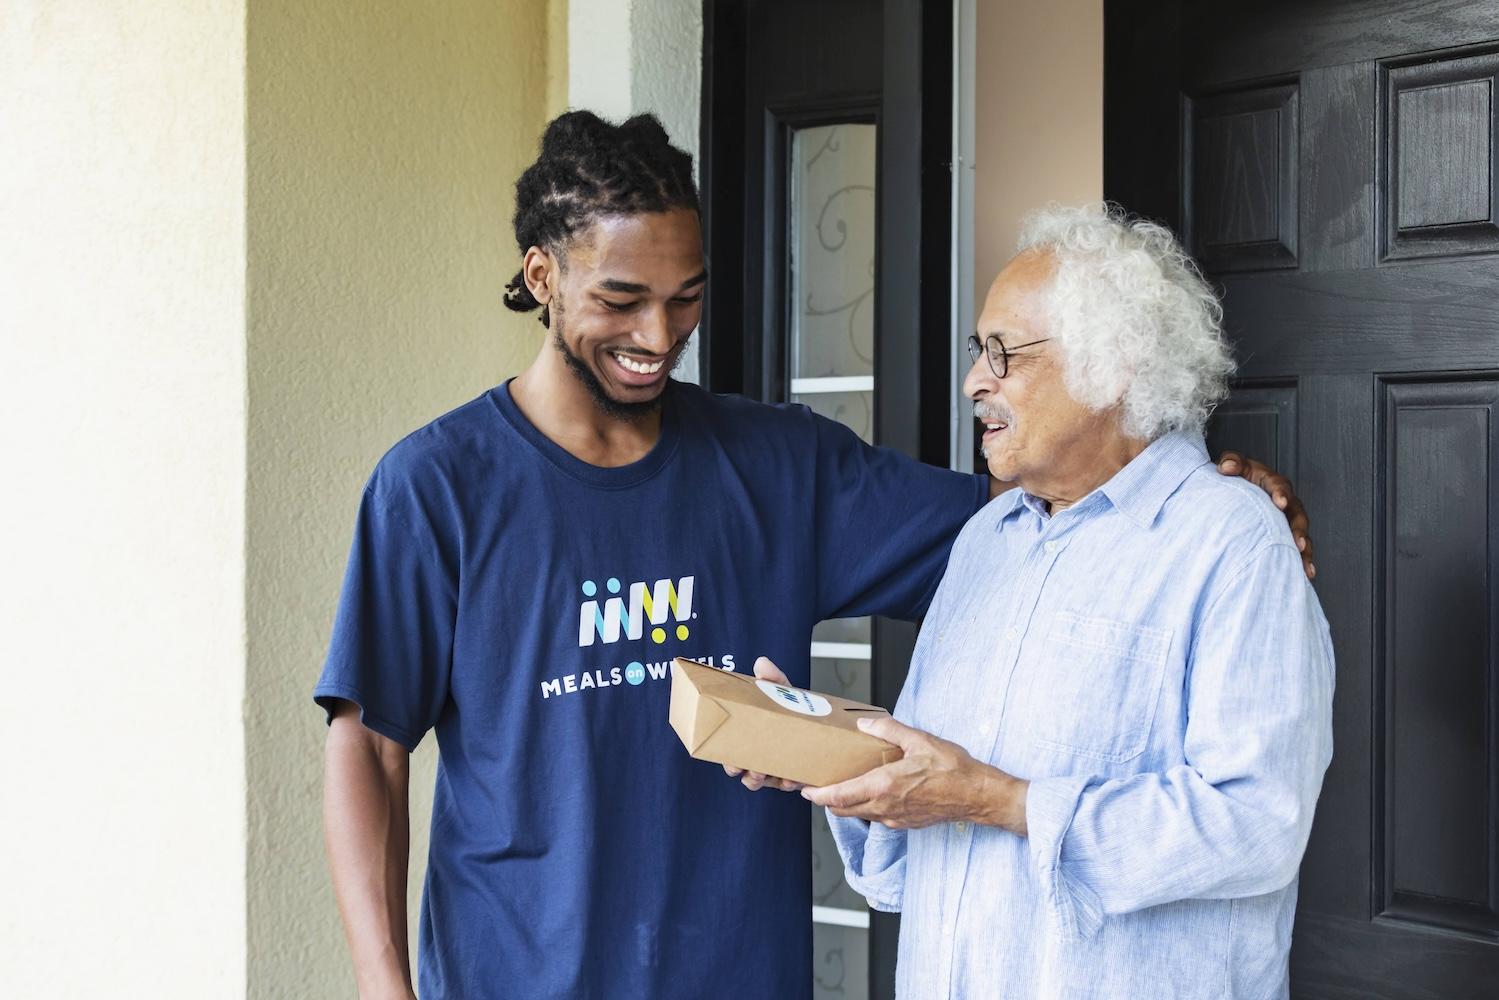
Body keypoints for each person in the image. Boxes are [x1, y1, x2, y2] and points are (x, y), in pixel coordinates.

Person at [315, 113, 1311, 999]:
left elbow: (1044, 519)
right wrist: (381, 982)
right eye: (622, 298)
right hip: (513, 973)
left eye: (685, 296)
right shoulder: (435, 486)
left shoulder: (780, 466)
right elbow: (367, 743)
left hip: (735, 970)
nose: (658, 336)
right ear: (542, 276)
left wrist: (1191, 478)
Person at [793, 204, 1334, 999]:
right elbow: (920, 837)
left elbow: (1258, 825)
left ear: (1111, 365)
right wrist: (829, 756)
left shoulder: (1231, 542)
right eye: (978, 351)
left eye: (1003, 354)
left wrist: (1001, 801)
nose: (975, 381)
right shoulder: (985, 542)